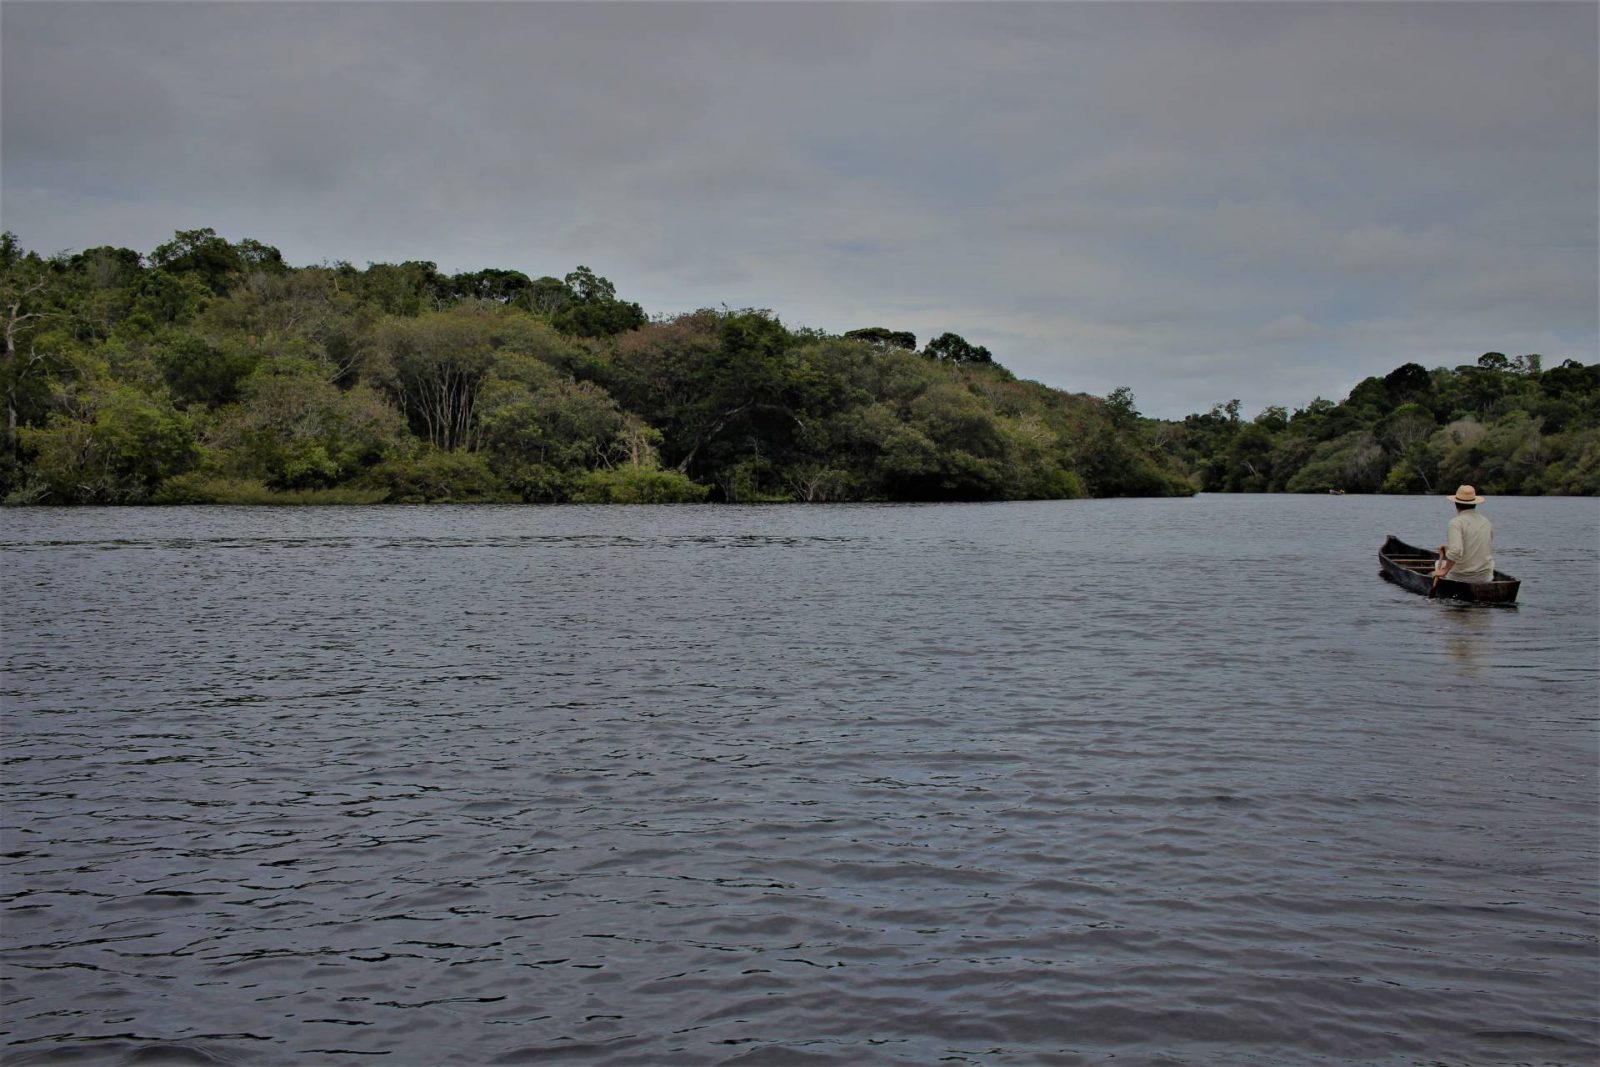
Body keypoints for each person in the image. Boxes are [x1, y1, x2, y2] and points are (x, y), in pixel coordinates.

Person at [1434, 484, 1494, 583]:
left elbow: (1456, 551)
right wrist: (1447, 548)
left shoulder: (1456, 523)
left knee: (1437, 564)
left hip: (1462, 577)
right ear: (1475, 503)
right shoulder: (1486, 521)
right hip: (1485, 577)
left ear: (1456, 504)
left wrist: (1444, 571)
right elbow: (1477, 545)